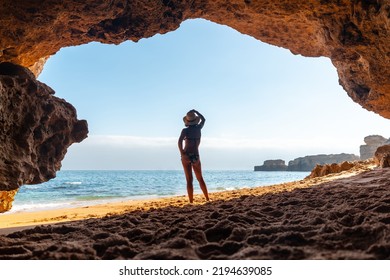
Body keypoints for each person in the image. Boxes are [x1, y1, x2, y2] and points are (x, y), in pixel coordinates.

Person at [178, 109, 209, 203]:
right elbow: (204, 119)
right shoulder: (198, 128)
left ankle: (191, 201)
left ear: (187, 121)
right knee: (200, 178)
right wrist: (197, 111)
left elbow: (179, 142)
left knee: (189, 180)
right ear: (195, 120)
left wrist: (182, 153)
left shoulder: (185, 131)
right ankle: (207, 199)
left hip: (186, 155)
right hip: (196, 155)